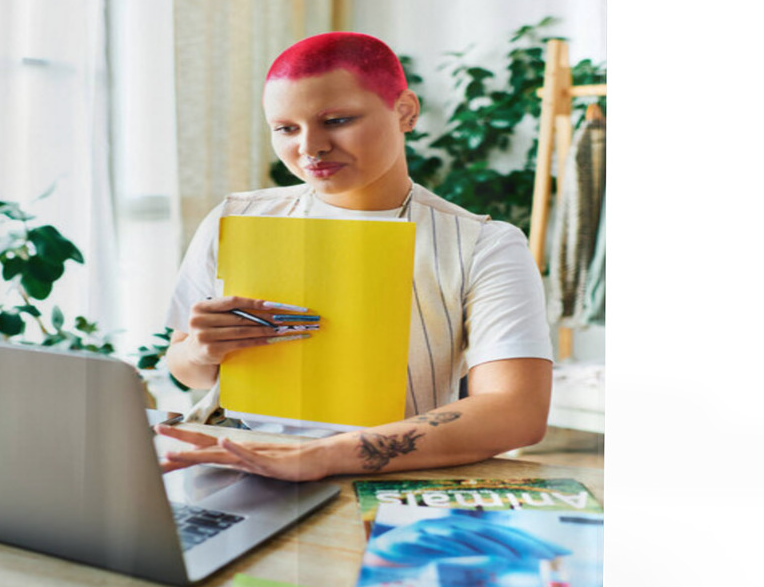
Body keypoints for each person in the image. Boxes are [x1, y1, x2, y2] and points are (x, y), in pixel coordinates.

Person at [160, 32, 553, 482]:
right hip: (233, 454)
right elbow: (186, 371)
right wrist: (200, 349)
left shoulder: (484, 244)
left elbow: (515, 411)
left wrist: (324, 456)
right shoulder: (236, 217)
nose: (310, 148)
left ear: (405, 112)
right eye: (286, 128)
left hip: (385, 476)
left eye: (338, 120)